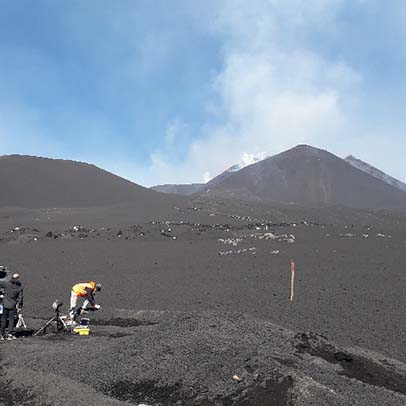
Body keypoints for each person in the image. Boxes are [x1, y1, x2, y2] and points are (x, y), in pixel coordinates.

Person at [0, 273, 23, 340]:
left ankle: (2, 334)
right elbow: (21, 298)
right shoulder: (19, 287)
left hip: (5, 304)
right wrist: (20, 306)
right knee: (11, 320)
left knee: (4, 319)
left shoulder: (7, 284)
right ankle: (10, 334)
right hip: (13, 305)